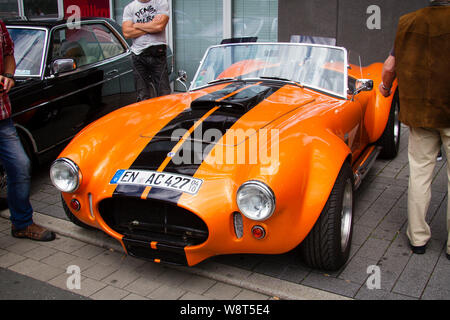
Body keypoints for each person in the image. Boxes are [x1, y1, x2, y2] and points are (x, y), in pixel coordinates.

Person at [379, 1, 450, 260]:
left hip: (420, 114)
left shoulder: (407, 22)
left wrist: (385, 89)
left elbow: (389, 65)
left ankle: (418, 239)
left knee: (420, 175)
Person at [0, 20, 55, 241]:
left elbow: (9, 55)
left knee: (20, 166)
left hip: (2, 116)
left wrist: (10, 76)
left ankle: (22, 223)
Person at [122, 0, 171, 101]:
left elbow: (159, 26)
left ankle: (164, 116)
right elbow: (127, 33)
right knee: (142, 95)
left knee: (164, 93)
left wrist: (136, 25)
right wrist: (151, 26)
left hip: (157, 53)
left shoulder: (161, 3)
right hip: (138, 55)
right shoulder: (129, 8)